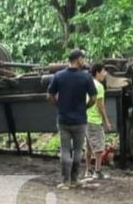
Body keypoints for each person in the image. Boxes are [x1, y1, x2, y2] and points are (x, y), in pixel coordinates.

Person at [48, 49, 97, 190]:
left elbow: (50, 95)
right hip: (80, 120)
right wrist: (86, 107)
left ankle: (66, 181)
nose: (84, 61)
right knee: (77, 150)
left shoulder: (59, 76)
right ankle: (75, 179)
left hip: (63, 120)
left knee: (64, 150)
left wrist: (59, 105)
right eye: (83, 58)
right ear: (78, 60)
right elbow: (93, 98)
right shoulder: (86, 77)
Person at [84, 62, 112, 180]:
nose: (105, 74)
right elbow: (100, 105)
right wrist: (106, 121)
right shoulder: (99, 86)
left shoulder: (86, 84)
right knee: (99, 147)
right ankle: (98, 171)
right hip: (94, 120)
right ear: (97, 73)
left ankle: (88, 170)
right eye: (103, 71)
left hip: (85, 119)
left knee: (89, 147)